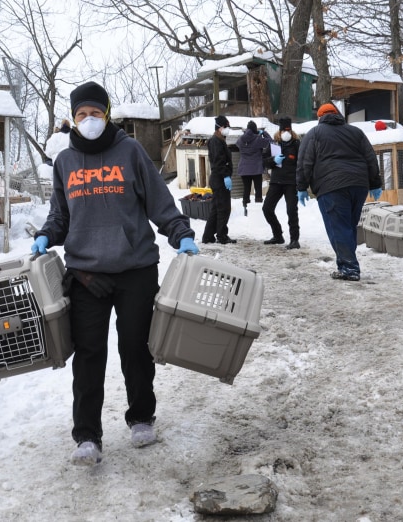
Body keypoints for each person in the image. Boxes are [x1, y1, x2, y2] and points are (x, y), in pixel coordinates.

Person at [30, 81, 199, 466]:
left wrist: (180, 233)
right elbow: (60, 214)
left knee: (136, 348)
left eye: (95, 113)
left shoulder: (130, 151)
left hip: (135, 267)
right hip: (87, 275)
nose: (88, 120)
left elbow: (159, 200)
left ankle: (141, 417)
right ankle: (87, 435)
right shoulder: (65, 162)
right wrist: (45, 235)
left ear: (107, 114)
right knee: (89, 354)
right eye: (81, 115)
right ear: (72, 120)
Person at [296, 103, 382, 281]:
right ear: (337, 114)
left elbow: (305, 161)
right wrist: (375, 183)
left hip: (332, 186)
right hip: (359, 185)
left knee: (339, 228)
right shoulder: (355, 132)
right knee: (349, 227)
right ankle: (346, 263)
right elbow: (370, 158)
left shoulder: (315, 133)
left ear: (320, 117)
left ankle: (349, 268)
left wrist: (301, 186)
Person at [261, 117, 300, 249]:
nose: (286, 133)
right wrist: (273, 160)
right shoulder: (274, 144)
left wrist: (301, 184)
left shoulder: (296, 144)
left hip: (291, 182)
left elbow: (302, 164)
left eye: (288, 130)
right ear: (280, 131)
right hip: (276, 181)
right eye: (284, 130)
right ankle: (278, 235)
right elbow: (264, 161)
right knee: (267, 208)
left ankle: (294, 239)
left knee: (291, 211)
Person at [202, 115, 237, 244]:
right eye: (225, 127)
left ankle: (208, 236)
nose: (227, 129)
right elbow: (218, 162)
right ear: (219, 128)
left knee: (216, 209)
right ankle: (221, 236)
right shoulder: (215, 141)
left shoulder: (220, 140)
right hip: (220, 179)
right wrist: (225, 176)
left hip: (219, 178)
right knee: (224, 209)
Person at [237, 120, 272, 212]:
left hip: (244, 168)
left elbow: (237, 144)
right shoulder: (257, 139)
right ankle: (258, 208)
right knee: (258, 189)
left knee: (246, 189)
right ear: (255, 129)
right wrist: (264, 133)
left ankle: (245, 207)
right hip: (256, 168)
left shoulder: (241, 139)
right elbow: (270, 141)